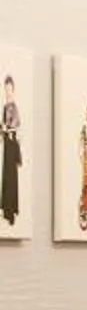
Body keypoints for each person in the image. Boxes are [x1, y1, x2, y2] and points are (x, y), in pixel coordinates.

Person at [1, 74, 21, 228]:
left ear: (13, 90)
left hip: (13, 144)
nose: (8, 92)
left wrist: (6, 128)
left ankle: (11, 211)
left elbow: (16, 125)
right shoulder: (4, 107)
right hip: (7, 143)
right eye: (5, 89)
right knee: (6, 175)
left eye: (9, 89)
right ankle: (5, 208)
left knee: (12, 176)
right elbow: (3, 126)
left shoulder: (14, 107)